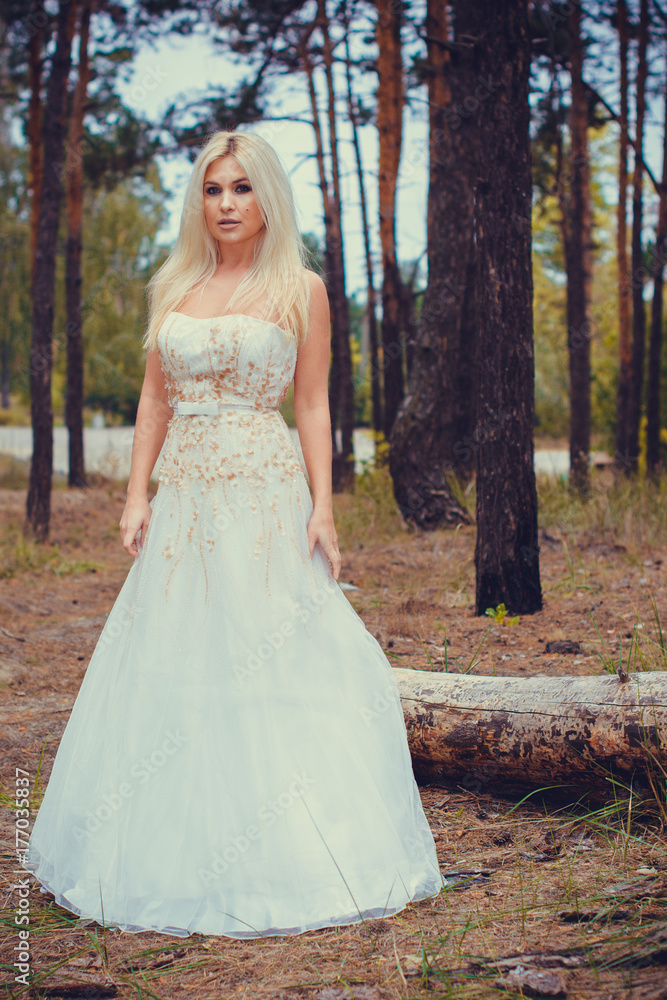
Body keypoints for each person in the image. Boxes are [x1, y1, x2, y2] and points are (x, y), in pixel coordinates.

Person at [23, 130, 444, 938]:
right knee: (175, 651)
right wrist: (135, 493)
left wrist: (323, 506)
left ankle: (292, 841)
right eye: (213, 189)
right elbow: (154, 400)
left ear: (266, 199)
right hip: (184, 498)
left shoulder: (301, 289)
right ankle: (163, 845)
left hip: (262, 490)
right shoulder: (173, 286)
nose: (225, 204)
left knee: (275, 646)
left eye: (242, 189)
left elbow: (314, 403)